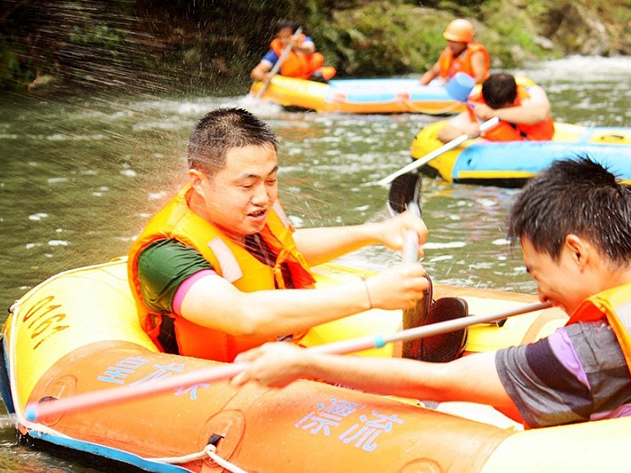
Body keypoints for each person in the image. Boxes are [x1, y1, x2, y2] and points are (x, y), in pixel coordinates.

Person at [231, 156, 631, 429]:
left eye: (538, 274)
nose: (539, 295)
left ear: (578, 252)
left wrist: (306, 365)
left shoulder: (590, 352)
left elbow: (440, 382)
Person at [127, 108, 430, 362]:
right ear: (200, 182)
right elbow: (242, 316)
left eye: (271, 180)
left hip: (282, 353)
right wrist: (371, 295)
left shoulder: (248, 212)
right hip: (219, 383)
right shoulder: (164, 254)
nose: (263, 196)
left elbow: (286, 250)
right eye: (247, 185)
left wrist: (375, 232)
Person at [436, 72, 555, 143]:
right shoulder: (479, 110)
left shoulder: (532, 93)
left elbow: (541, 114)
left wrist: (494, 113)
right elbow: (443, 134)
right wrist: (464, 133)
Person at [250, 19, 336, 84]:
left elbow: (311, 50)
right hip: (293, 83)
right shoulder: (275, 53)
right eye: (282, 37)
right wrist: (264, 77)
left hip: (312, 77)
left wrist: (297, 47)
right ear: (278, 36)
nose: (285, 40)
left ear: (294, 35)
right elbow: (256, 72)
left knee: (322, 74)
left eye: (288, 36)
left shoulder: (304, 41)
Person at [419, 19, 490, 86]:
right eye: (449, 40)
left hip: (470, 93)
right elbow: (432, 73)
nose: (450, 44)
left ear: (464, 42)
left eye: (454, 42)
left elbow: (480, 79)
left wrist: (459, 88)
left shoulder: (475, 53)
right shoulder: (447, 53)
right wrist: (420, 85)